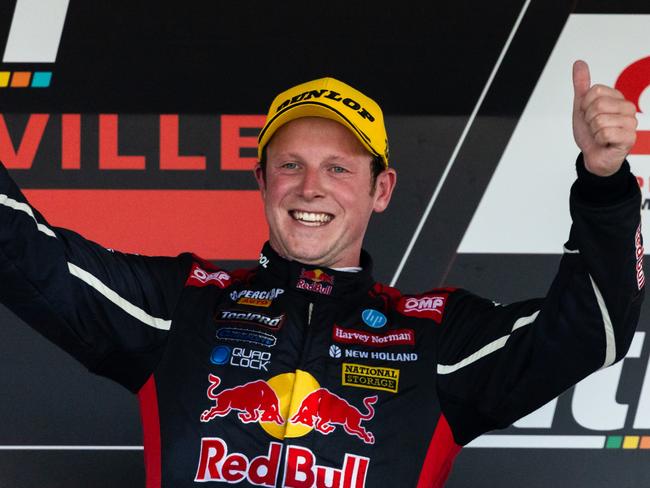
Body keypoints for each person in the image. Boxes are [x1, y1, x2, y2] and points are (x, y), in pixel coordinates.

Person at [0, 60, 643, 488]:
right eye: (290, 165)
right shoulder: (183, 308)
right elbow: (27, 256)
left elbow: (596, 330)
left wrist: (605, 183)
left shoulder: (436, 338)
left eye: (339, 168)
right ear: (261, 180)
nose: (311, 188)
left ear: (381, 189)